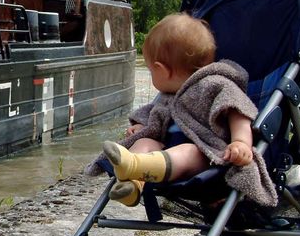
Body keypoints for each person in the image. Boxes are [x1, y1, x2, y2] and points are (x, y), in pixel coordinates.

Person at [96, 13, 277, 208]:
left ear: (162, 70)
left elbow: (238, 110)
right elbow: (156, 115)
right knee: (145, 141)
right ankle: (132, 186)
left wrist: (241, 142)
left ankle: (134, 167)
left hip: (207, 156)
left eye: (151, 71)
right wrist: (142, 126)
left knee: (188, 151)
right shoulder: (169, 95)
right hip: (166, 151)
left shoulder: (215, 85)